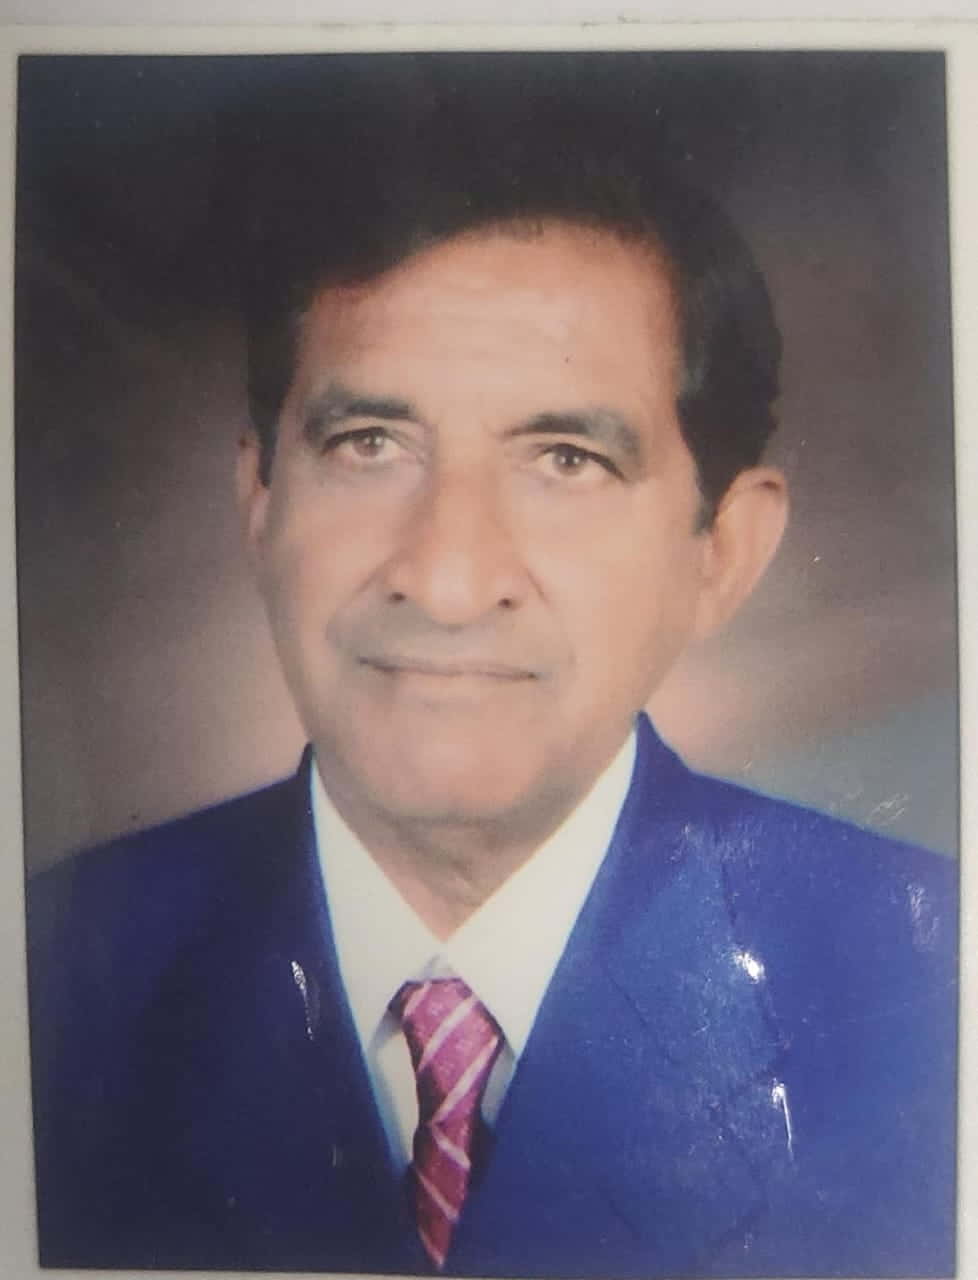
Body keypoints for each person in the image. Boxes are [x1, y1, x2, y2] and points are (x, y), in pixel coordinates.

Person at [26, 97, 957, 1278]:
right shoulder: (52, 976)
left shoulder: (931, 988)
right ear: (260, 503)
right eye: (370, 443)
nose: (449, 580)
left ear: (722, 551)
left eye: (566, 459)